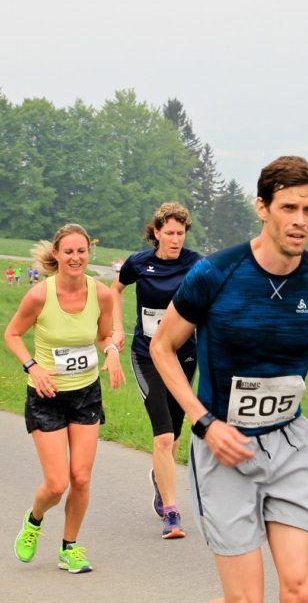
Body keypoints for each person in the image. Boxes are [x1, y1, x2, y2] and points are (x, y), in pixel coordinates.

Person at [150, 156, 308, 603]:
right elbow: (162, 348)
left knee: (300, 590)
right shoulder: (215, 274)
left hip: (288, 444)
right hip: (223, 445)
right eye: (288, 208)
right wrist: (204, 421)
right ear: (262, 208)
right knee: (246, 600)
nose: (300, 221)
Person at [4, 223, 125, 574]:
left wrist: (112, 352)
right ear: (56, 255)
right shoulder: (40, 295)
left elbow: (104, 336)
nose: (75, 257)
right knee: (57, 483)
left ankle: (69, 547)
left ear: (89, 254)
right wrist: (32, 367)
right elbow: (12, 334)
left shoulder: (100, 294)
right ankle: (34, 519)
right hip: (47, 395)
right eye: (68, 251)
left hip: (86, 393)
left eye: (81, 251)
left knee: (82, 478)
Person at [111, 202, 203, 539]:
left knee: (174, 436)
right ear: (157, 232)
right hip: (147, 354)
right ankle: (172, 512)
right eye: (170, 233)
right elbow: (115, 289)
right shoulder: (139, 263)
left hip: (183, 356)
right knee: (163, 435)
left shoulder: (196, 264)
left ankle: (159, 481)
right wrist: (117, 329)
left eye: (181, 233)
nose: (176, 239)